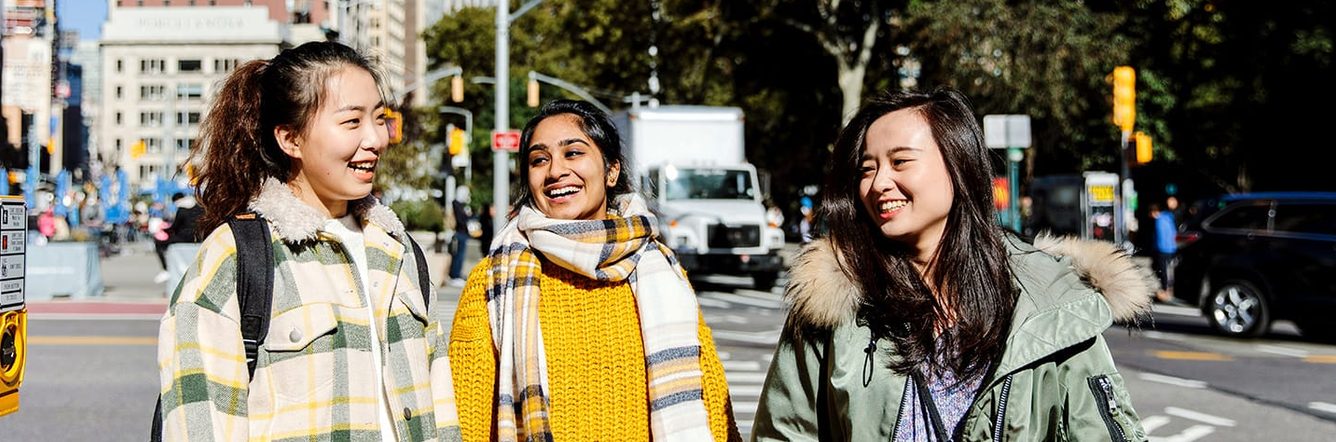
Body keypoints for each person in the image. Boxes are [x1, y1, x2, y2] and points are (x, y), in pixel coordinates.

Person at [752, 88, 1151, 441]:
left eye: (900, 161)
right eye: (867, 169)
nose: (878, 184)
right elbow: (785, 432)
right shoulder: (833, 300)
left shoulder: (1053, 304)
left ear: (958, 165)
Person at [156, 41, 460, 441]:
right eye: (352, 122)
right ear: (290, 139)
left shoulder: (399, 252)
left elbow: (440, 411)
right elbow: (199, 424)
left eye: (380, 118)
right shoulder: (237, 255)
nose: (376, 139)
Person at [449, 99, 739, 441]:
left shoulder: (660, 269)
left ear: (611, 170)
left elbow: (713, 408)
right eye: (539, 159)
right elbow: (465, 421)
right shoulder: (493, 279)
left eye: (573, 153)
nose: (555, 170)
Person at [153, 192, 204, 283]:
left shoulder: (182, 209)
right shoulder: (199, 207)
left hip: (184, 238)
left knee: (158, 243)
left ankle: (165, 269)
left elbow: (175, 227)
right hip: (199, 238)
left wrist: (165, 230)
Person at [1151, 200, 1178, 302]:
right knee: (1166, 269)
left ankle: (1165, 289)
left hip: (1162, 248)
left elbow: (1159, 237)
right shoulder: (1169, 217)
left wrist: (1154, 247)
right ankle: (1167, 289)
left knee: (1162, 270)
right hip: (1171, 248)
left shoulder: (1159, 220)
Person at [446, 186, 472, 287]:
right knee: (458, 256)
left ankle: (456, 275)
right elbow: (461, 220)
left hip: (462, 233)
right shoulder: (456, 204)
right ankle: (455, 275)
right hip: (459, 233)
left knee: (460, 256)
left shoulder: (460, 205)